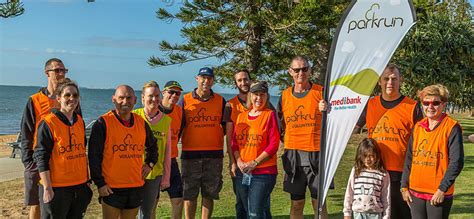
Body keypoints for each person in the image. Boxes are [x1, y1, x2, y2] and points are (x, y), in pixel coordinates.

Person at [354, 63, 423, 219]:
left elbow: (424, 137)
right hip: (374, 171)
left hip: (401, 173)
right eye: (386, 79)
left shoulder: (412, 107)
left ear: (401, 80)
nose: (390, 83)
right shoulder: (370, 104)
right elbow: (352, 128)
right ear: (379, 81)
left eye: (394, 79)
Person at [20, 58, 79, 219]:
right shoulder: (35, 100)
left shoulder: (70, 98)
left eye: (63, 70)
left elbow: (77, 126)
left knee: (54, 205)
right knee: (36, 205)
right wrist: (28, 162)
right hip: (38, 160)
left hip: (62, 162)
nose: (61, 73)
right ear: (47, 73)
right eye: (57, 70)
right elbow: (26, 132)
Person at [88, 85, 158, 219]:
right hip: (111, 188)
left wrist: (149, 164)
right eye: (121, 98)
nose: (125, 102)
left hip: (135, 185)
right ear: (113, 99)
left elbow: (153, 146)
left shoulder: (141, 123)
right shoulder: (103, 123)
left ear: (135, 100)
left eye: (129, 98)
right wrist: (100, 183)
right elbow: (93, 157)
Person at [401, 84, 464, 219]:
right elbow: (409, 158)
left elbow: (457, 162)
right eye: (426, 102)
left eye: (435, 103)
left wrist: (442, 189)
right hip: (415, 192)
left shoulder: (452, 127)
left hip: (437, 194)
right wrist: (403, 186)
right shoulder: (418, 127)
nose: (430, 107)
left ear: (443, 104)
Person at [33, 78, 92, 219]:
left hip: (79, 186)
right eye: (67, 95)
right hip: (56, 188)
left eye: (75, 95)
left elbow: (82, 152)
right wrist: (47, 188)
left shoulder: (79, 121)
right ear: (58, 98)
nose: (72, 98)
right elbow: (41, 157)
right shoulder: (48, 122)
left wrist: (87, 182)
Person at [277, 55, 328, 218]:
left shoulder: (321, 93)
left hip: (317, 156)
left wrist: (328, 109)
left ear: (310, 70)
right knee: (297, 204)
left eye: (305, 69)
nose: (301, 73)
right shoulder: (284, 96)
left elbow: (336, 120)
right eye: (297, 69)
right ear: (290, 72)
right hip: (293, 157)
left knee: (318, 204)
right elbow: (279, 125)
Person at [178, 67, 226, 219]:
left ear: (213, 80)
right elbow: (177, 127)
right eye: (203, 77)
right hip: (190, 155)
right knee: (189, 194)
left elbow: (225, 127)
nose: (206, 81)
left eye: (209, 78)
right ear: (197, 78)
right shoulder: (185, 100)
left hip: (214, 155)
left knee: (209, 193)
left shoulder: (220, 100)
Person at [232, 81, 279, 219]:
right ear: (250, 96)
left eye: (262, 95)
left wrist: (255, 162)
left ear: (267, 96)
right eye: (255, 95)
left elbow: (274, 145)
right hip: (243, 172)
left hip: (263, 172)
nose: (259, 98)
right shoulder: (241, 116)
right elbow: (235, 143)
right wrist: (239, 161)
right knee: (250, 210)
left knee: (255, 213)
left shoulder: (269, 115)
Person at [134, 81, 171, 219]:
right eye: (150, 96)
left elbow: (167, 152)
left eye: (157, 95)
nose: (154, 99)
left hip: (154, 174)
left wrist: (166, 178)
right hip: (132, 173)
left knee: (146, 214)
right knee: (129, 211)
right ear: (143, 98)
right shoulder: (134, 116)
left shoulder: (166, 121)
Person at [223, 70, 251, 219]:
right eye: (239, 81)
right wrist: (232, 162)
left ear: (250, 80)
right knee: (241, 200)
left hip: (258, 159)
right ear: (236, 84)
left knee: (260, 202)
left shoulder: (259, 101)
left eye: (245, 79)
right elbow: (229, 136)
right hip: (239, 159)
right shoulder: (230, 105)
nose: (243, 83)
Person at [343, 138, 390, 219]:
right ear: (360, 156)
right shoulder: (356, 170)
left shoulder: (383, 174)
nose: (368, 159)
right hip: (358, 213)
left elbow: (386, 197)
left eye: (371, 156)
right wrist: (347, 212)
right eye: (365, 156)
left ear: (377, 155)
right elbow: (349, 192)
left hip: (375, 214)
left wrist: (386, 216)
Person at [159, 80, 184, 219]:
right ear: (163, 93)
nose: (174, 95)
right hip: (154, 163)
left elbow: (178, 134)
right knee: (151, 202)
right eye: (171, 92)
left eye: (178, 93)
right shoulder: (154, 109)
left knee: (178, 200)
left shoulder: (179, 112)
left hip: (172, 161)